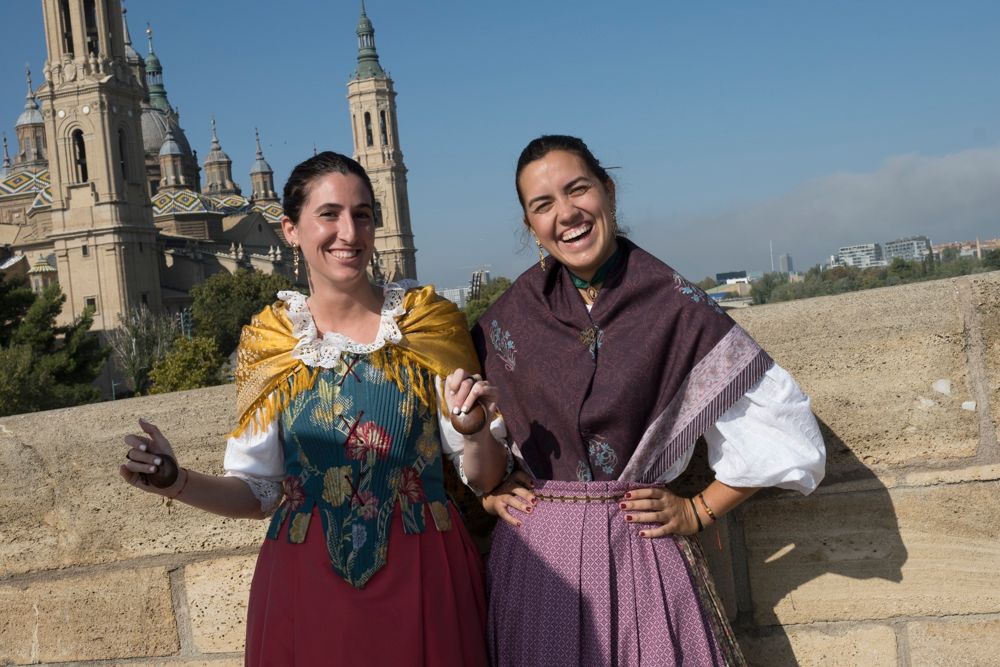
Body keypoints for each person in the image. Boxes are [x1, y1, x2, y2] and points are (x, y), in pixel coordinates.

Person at [119, 151, 509, 666]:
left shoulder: (428, 325)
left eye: (362, 213)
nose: (349, 231)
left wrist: (476, 430)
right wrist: (176, 482)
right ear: (289, 230)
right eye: (329, 214)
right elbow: (258, 492)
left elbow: (484, 479)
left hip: (426, 574)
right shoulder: (270, 343)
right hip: (307, 585)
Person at [470, 135, 826, 666]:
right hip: (536, 567)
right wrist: (488, 494)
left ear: (608, 191)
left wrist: (698, 510)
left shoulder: (677, 306)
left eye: (578, 190)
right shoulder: (507, 320)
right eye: (543, 205)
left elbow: (786, 433)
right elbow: (468, 442)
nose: (566, 214)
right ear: (530, 226)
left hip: (639, 554)